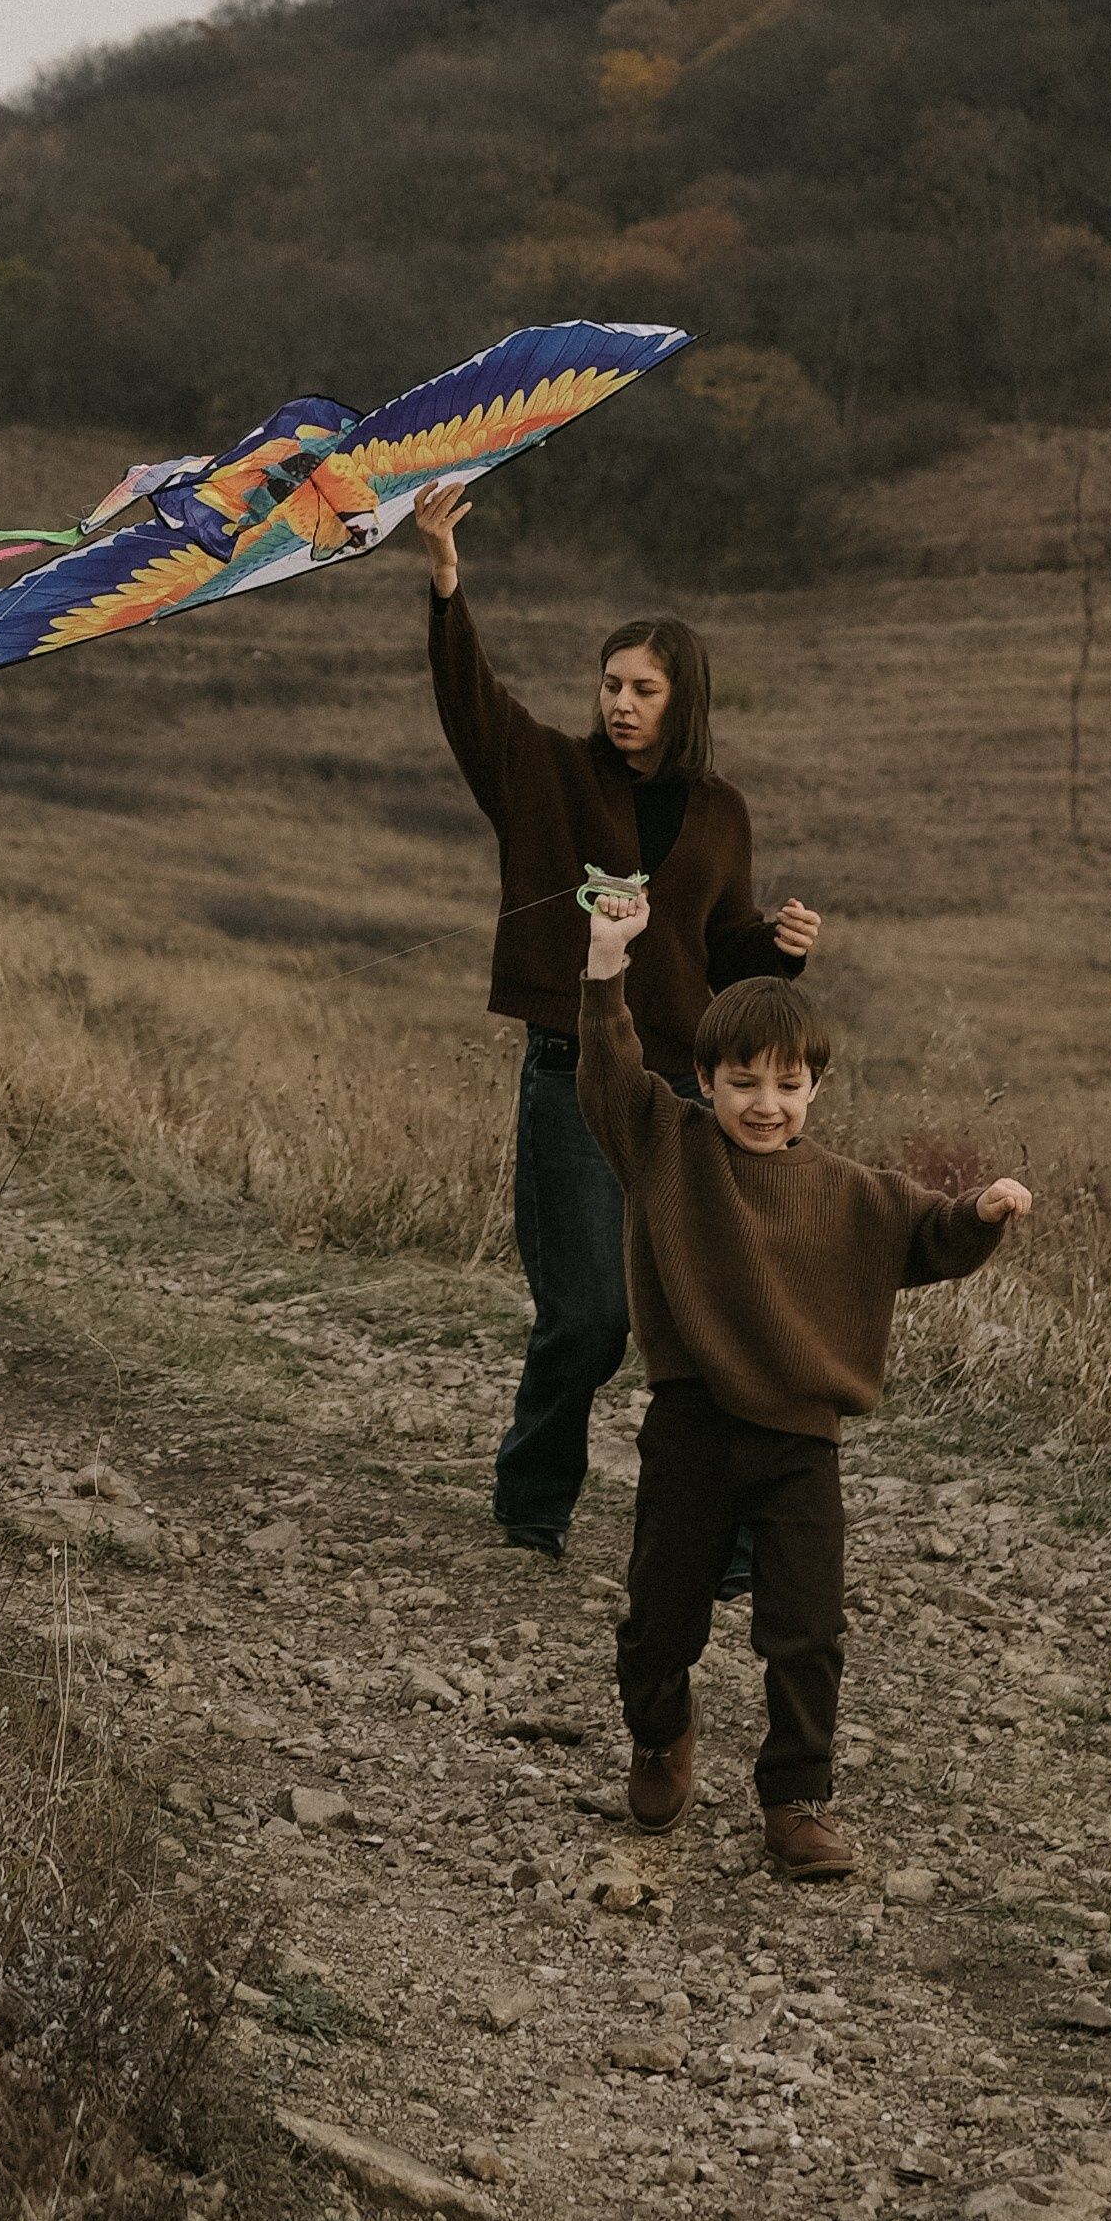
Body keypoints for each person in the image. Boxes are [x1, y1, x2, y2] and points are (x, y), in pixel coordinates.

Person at [574, 885, 1032, 1876]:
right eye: (743, 1081)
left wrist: (983, 1211)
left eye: (787, 1085)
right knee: (659, 1618)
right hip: (691, 1423)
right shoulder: (670, 1149)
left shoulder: (851, 1193)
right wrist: (609, 961)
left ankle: (795, 1801)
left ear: (815, 1089)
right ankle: (659, 1734)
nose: (764, 1102)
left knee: (807, 1630)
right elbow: (609, 1080)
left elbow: (930, 1232)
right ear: (704, 1077)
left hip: (800, 1440)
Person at [414, 477, 821, 1562]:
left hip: (684, 1094)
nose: (621, 702)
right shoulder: (545, 773)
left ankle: (728, 1547)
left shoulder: (723, 811)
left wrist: (774, 947)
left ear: (682, 698)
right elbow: (473, 706)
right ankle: (532, 1505)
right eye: (610, 684)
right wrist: (448, 582)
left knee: (710, 1321)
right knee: (590, 1318)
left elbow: (716, 949)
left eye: (642, 687)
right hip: (571, 1080)